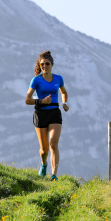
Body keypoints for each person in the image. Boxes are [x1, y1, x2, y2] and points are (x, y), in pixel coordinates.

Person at [25, 50, 69, 180]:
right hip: (40, 113)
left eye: (47, 64)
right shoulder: (36, 80)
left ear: (52, 64)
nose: (44, 66)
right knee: (44, 150)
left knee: (53, 144)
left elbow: (64, 92)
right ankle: (43, 164)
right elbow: (27, 100)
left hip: (54, 112)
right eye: (42, 64)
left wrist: (65, 102)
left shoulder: (58, 78)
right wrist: (42, 101)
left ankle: (54, 174)